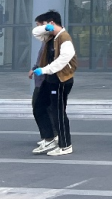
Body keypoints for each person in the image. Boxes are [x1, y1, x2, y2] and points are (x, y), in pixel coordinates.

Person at [28, 10, 76, 156]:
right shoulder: (50, 36)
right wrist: (46, 27)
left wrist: (44, 70)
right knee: (39, 106)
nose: (41, 28)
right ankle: (49, 138)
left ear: (52, 23)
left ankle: (65, 145)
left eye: (44, 25)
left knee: (58, 112)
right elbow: (35, 32)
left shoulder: (64, 38)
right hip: (50, 78)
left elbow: (63, 60)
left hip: (60, 80)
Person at [28, 17, 56, 155]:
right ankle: (49, 136)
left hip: (47, 80)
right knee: (42, 108)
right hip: (41, 80)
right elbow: (41, 59)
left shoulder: (54, 41)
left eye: (39, 25)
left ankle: (51, 137)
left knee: (40, 108)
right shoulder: (46, 41)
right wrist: (34, 68)